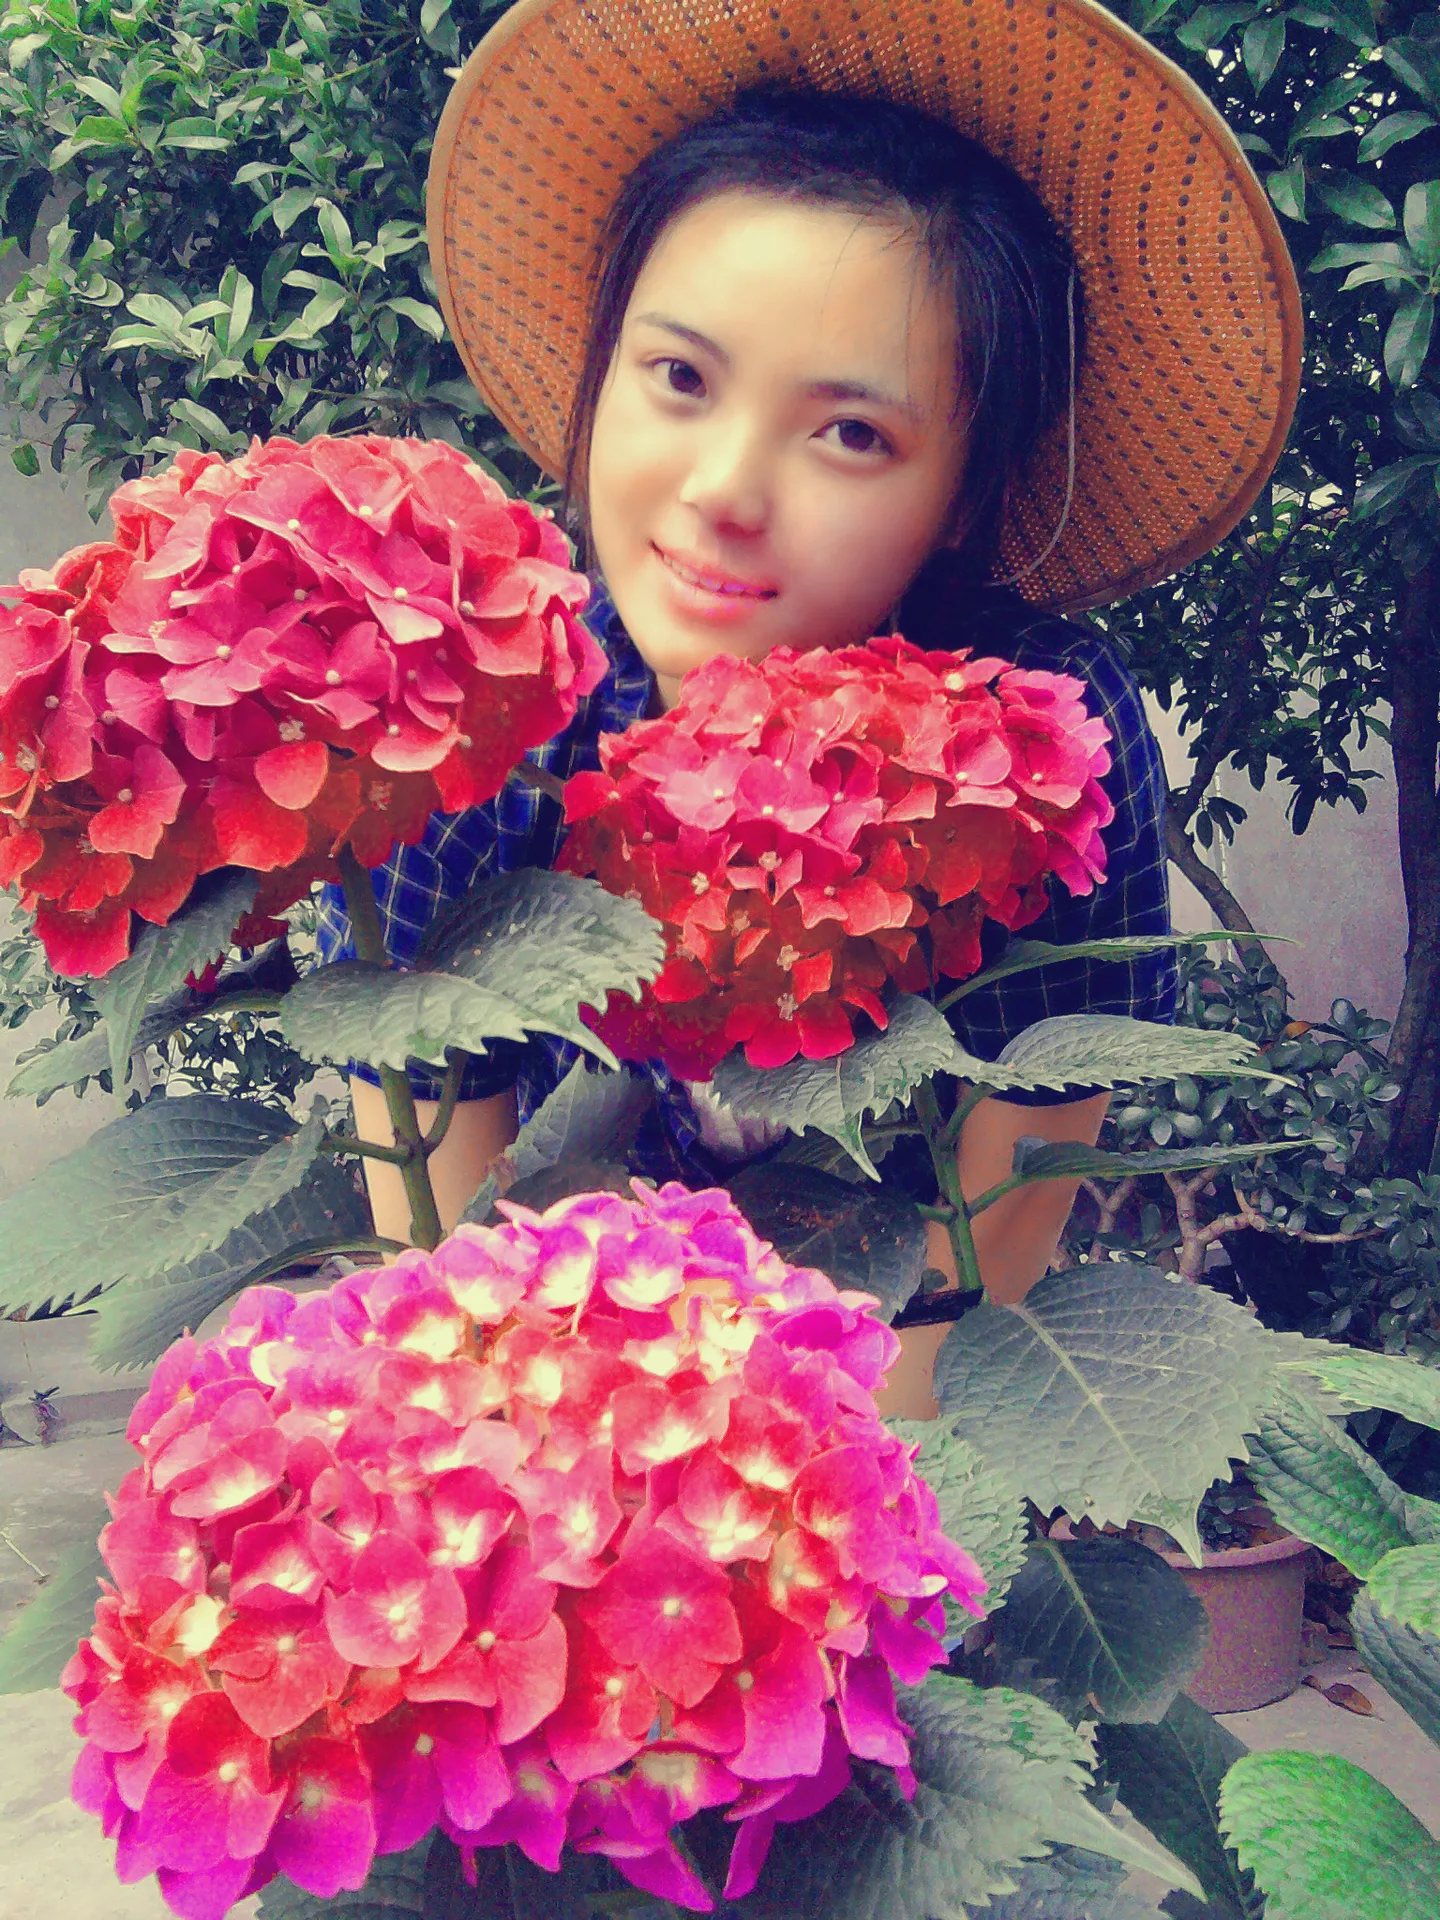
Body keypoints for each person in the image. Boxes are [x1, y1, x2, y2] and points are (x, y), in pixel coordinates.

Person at [317, 0, 1301, 1320]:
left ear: (964, 497)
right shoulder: (486, 706)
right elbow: (439, 1235)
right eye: (679, 376)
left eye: (851, 434)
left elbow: (991, 1248)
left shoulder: (1048, 737)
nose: (724, 489)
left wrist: (810, 1444)